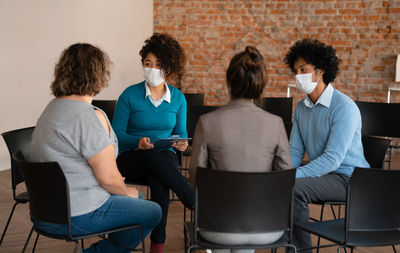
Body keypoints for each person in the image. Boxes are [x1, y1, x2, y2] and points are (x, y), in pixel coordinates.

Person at [28, 43, 162, 253]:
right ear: (98, 75)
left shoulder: (51, 109)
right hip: (76, 214)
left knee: (137, 201)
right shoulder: (89, 117)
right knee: (151, 211)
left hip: (44, 213)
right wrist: (126, 190)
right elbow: (108, 179)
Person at [189, 46, 292, 253]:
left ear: (228, 82)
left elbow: (195, 180)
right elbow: (285, 182)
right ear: (261, 85)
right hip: (266, 228)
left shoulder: (207, 122)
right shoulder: (276, 123)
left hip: (216, 227)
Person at [284, 39, 370, 252]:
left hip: (350, 179)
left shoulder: (344, 108)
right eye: (296, 71)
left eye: (303, 69)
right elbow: (295, 150)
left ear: (320, 71)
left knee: (292, 188)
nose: (298, 76)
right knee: (282, 184)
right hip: (325, 176)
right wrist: (283, 172)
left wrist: (291, 176)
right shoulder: (301, 108)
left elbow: (333, 159)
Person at [112, 33, 194, 253]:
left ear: (168, 68)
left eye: (158, 65)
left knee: (159, 176)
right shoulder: (129, 95)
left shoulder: (178, 98)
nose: (153, 69)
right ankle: (191, 199)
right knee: (153, 158)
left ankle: (157, 244)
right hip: (130, 158)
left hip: (163, 159)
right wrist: (137, 142)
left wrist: (182, 144)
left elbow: (181, 133)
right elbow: (116, 135)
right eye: (148, 64)